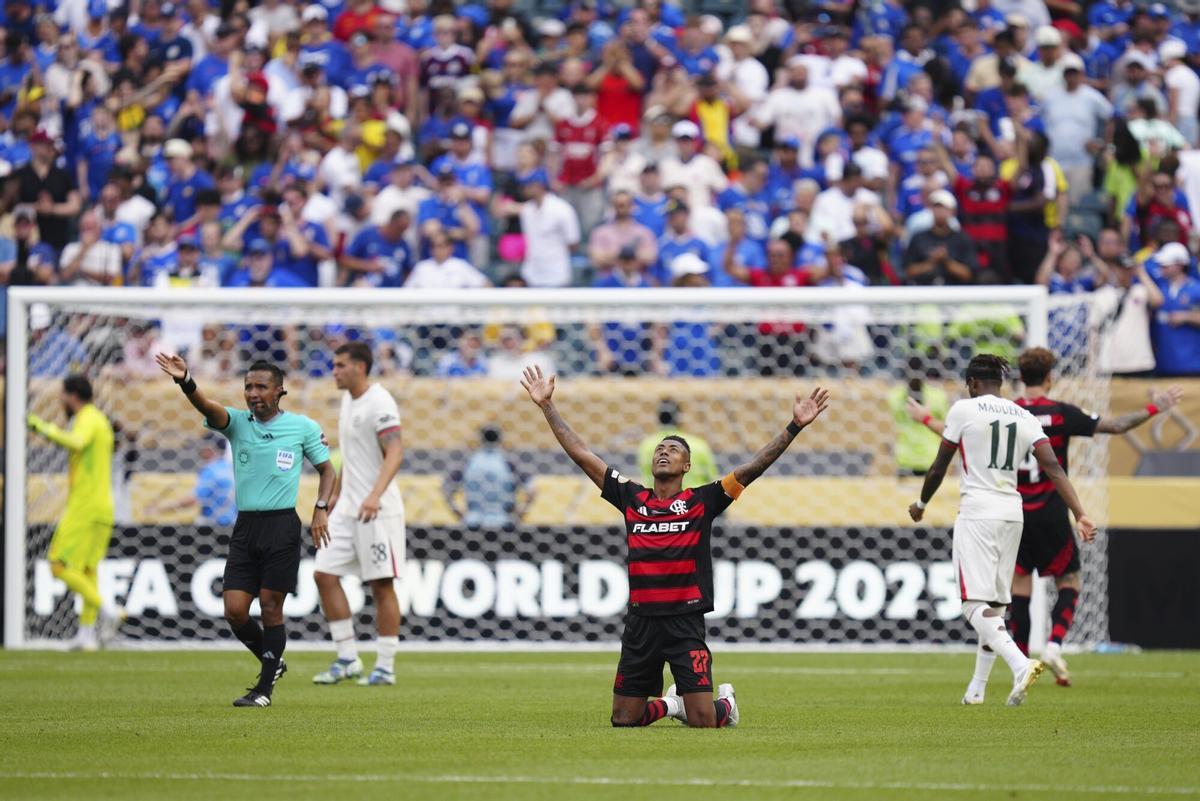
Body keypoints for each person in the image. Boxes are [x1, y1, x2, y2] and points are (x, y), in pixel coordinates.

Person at [521, 364, 830, 728]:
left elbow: (753, 468)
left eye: (673, 449)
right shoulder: (632, 498)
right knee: (624, 719)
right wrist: (547, 407)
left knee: (703, 719)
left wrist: (794, 427)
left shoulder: (705, 500)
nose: (663, 452)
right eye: (659, 449)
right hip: (641, 621)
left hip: (684, 621)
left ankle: (725, 706)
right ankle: (670, 706)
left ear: (687, 465)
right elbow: (583, 455)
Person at [911, 348, 1182, 685]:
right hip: (1041, 513)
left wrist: (924, 420)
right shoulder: (1048, 413)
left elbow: (958, 438)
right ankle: (1052, 644)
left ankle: (1020, 661)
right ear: (1050, 378)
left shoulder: (988, 410)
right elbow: (1112, 427)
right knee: (1067, 581)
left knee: (1012, 593)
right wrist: (1156, 407)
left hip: (999, 509)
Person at [907, 354, 1096, 707]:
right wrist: (1080, 513)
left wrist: (921, 503)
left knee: (972, 606)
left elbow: (938, 465)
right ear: (1002, 384)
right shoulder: (1022, 415)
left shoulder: (964, 409)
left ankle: (1020, 663)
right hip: (1013, 513)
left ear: (973, 384)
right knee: (994, 604)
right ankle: (976, 690)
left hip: (978, 513)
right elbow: (1054, 467)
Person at [155, 353, 335, 708]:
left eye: (261, 387)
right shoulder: (237, 423)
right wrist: (185, 379)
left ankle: (264, 689)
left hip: (282, 525)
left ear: (279, 391)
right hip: (246, 526)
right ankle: (273, 661)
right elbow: (205, 404)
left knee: (271, 606)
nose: (253, 393)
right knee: (235, 611)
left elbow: (328, 471)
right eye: (248, 387)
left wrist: (320, 509)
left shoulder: (302, 427)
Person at [312, 343, 406, 688]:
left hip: (377, 510)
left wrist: (374, 495)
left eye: (340, 365)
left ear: (360, 367)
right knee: (323, 574)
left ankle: (385, 666)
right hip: (349, 507)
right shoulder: (349, 400)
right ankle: (348, 658)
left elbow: (395, 450)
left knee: (381, 585)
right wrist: (337, 494)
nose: (334, 371)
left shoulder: (379, 401)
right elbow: (356, 457)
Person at [26, 375, 126, 652]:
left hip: (85, 505)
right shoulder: (100, 420)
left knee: (58, 564)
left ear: (72, 395)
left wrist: (37, 425)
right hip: (103, 505)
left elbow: (76, 442)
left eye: (62, 395)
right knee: (87, 570)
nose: (60, 401)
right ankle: (86, 635)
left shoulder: (87, 418)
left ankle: (107, 609)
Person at [443, 425, 535, 528]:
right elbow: (532, 490)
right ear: (500, 439)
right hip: (504, 523)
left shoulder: (469, 461)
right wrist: (519, 516)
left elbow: (446, 489)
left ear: (480, 439)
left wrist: (460, 515)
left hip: (473, 522)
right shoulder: (509, 462)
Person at [636, 400, 718, 489]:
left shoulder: (646, 446)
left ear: (658, 418)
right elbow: (711, 478)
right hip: (694, 500)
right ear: (679, 418)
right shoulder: (699, 445)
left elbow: (645, 475)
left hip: (658, 500)